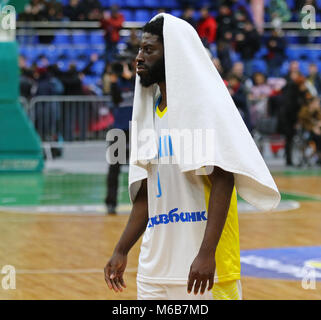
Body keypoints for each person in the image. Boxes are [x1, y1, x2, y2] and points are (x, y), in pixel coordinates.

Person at [104, 14, 280, 300]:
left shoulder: (204, 109)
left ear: (172, 54)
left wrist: (206, 254)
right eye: (139, 49)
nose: (138, 58)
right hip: (155, 268)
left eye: (149, 50)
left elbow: (223, 181)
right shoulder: (148, 113)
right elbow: (147, 193)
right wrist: (122, 249)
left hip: (204, 268)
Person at [105, 61, 135, 214]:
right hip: (118, 130)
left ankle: (143, 202)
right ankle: (111, 202)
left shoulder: (136, 82)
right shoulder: (116, 84)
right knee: (114, 167)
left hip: (136, 130)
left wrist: (130, 77)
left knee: (141, 166)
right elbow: (115, 99)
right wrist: (115, 81)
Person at [298, 96, 321, 165]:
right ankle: (314, 155)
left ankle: (318, 156)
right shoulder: (304, 110)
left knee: (318, 137)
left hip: (316, 132)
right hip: (305, 131)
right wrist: (313, 128)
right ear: (311, 103)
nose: (318, 104)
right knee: (315, 137)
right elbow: (304, 123)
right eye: (316, 103)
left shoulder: (317, 111)